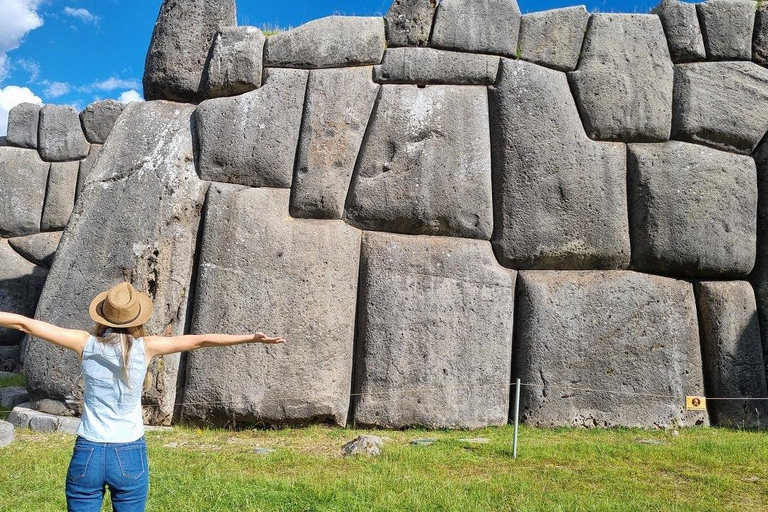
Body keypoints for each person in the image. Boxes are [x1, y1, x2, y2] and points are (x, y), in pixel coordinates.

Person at [0, 281, 285, 512]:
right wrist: (249, 337)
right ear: (137, 318)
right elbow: (199, 340)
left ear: (102, 316)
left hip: (88, 451)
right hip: (129, 453)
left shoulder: (83, 342)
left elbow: (25, 325)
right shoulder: (146, 347)